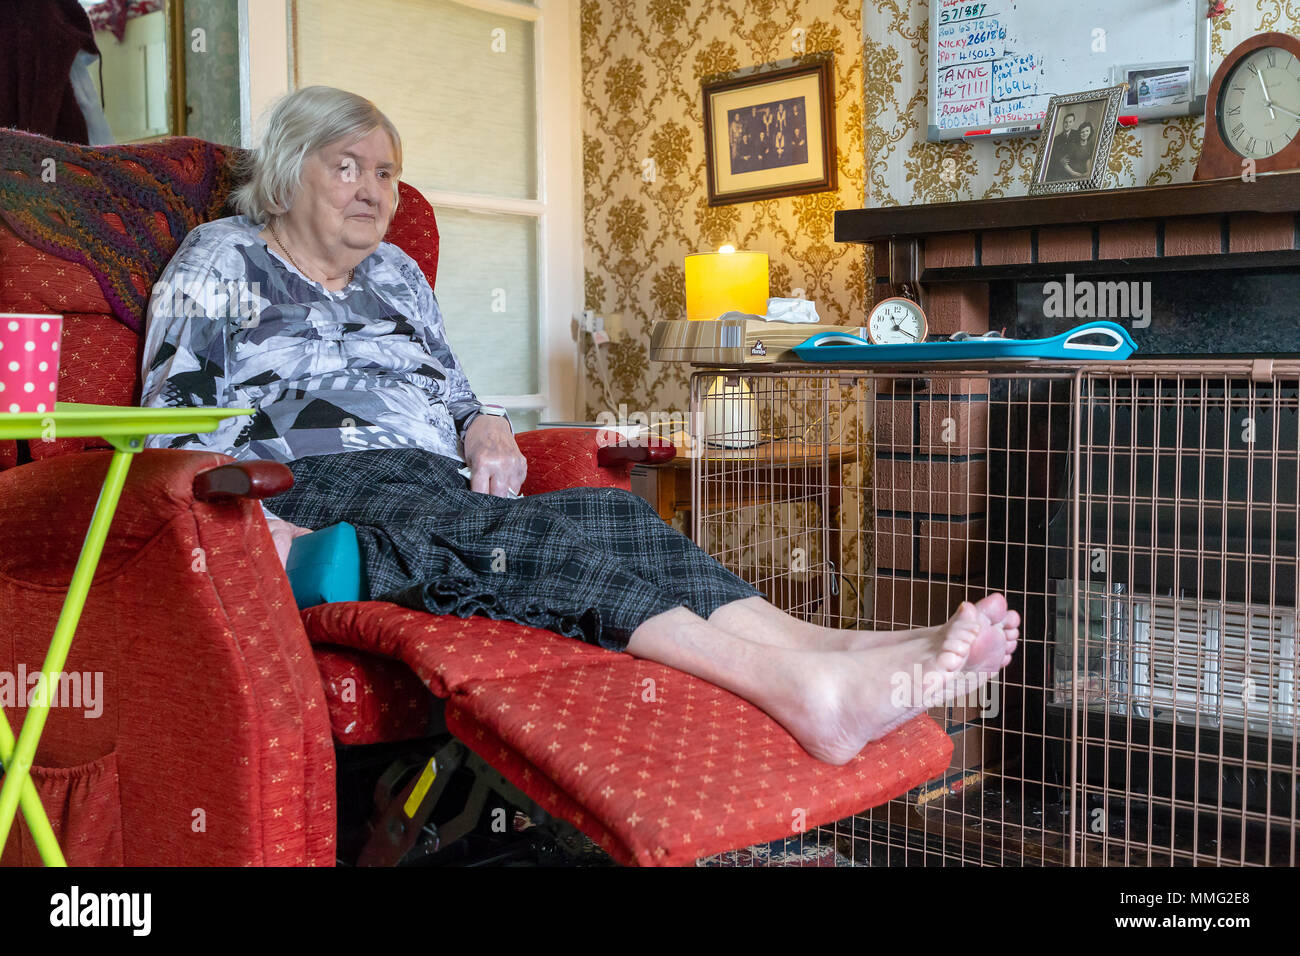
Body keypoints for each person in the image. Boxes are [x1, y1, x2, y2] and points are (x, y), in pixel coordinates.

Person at [139, 86, 1019, 767]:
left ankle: (848, 649)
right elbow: (169, 418)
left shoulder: (397, 273)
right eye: (348, 166)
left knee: (615, 515)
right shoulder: (222, 256)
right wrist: (248, 520)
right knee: (509, 544)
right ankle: (804, 693)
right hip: (312, 476)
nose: (374, 191)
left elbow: (452, 391)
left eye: (386, 173)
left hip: (429, 474)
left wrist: (485, 428)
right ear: (290, 167)